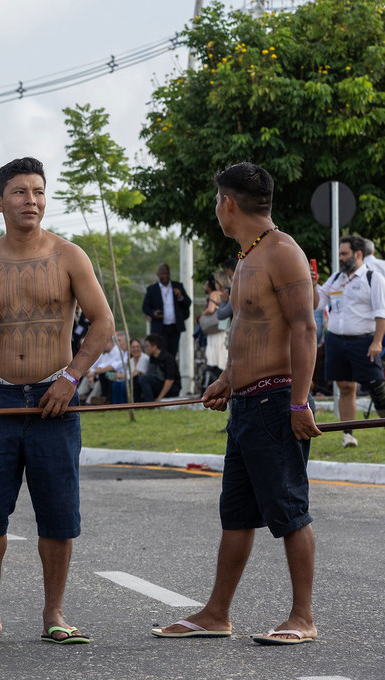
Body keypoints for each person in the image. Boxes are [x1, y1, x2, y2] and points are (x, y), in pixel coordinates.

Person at [0, 157, 115, 646]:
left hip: (54, 403)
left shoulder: (70, 257)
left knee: (59, 514)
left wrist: (71, 377)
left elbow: (102, 323)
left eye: (39, 191)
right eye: (20, 192)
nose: (31, 201)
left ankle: (55, 613)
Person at [153, 161, 321, 645]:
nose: (215, 210)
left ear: (228, 204)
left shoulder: (283, 253)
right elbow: (250, 331)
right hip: (246, 403)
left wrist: (298, 402)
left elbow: (304, 329)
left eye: (215, 201)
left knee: (289, 509)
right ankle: (216, 613)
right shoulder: (248, 257)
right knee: (237, 513)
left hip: (274, 402)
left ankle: (303, 618)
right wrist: (228, 377)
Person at [315, 234, 385, 447]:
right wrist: (311, 283)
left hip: (363, 342)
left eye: (344, 254)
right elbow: (316, 304)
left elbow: (381, 313)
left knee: (376, 387)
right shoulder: (336, 278)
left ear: (358, 254)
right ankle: (348, 434)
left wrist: (377, 342)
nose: (341, 258)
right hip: (336, 341)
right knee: (344, 386)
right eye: (340, 254)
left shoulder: (373, 278)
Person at [142, 263, 192, 360]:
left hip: (174, 327)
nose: (164, 276)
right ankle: (161, 374)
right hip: (160, 327)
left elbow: (188, 303)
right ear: (158, 274)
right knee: (160, 352)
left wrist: (180, 296)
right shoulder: (152, 289)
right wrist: (153, 313)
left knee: (172, 353)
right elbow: (145, 307)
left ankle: (172, 373)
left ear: (169, 274)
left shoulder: (177, 286)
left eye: (166, 273)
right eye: (162, 273)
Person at [136, 334, 180, 402]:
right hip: (159, 384)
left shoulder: (168, 358)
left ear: (154, 347)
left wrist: (159, 398)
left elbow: (170, 380)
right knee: (137, 379)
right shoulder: (152, 358)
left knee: (143, 379)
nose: (146, 349)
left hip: (171, 388)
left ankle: (150, 403)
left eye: (147, 346)